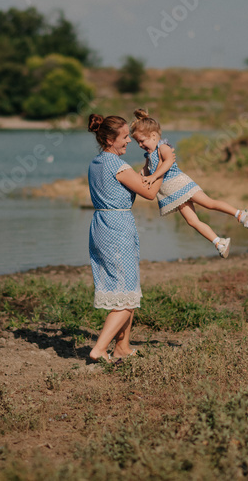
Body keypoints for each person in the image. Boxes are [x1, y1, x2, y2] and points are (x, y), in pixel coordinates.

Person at [86, 113, 164, 363]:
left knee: (122, 288)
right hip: (116, 228)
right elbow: (150, 192)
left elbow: (135, 181)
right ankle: (99, 349)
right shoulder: (117, 166)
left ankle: (122, 347)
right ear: (109, 140)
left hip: (100, 225)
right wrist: (165, 165)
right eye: (124, 137)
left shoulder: (97, 163)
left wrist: (148, 168)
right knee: (128, 295)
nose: (129, 141)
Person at [130, 108, 248, 258]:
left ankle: (240, 214)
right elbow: (144, 171)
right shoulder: (149, 155)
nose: (140, 145)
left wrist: (153, 176)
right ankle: (219, 242)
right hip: (172, 194)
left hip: (180, 185)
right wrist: (135, 178)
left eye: (142, 141)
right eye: (138, 143)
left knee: (208, 203)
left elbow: (168, 162)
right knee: (192, 221)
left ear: (154, 135)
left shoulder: (163, 147)